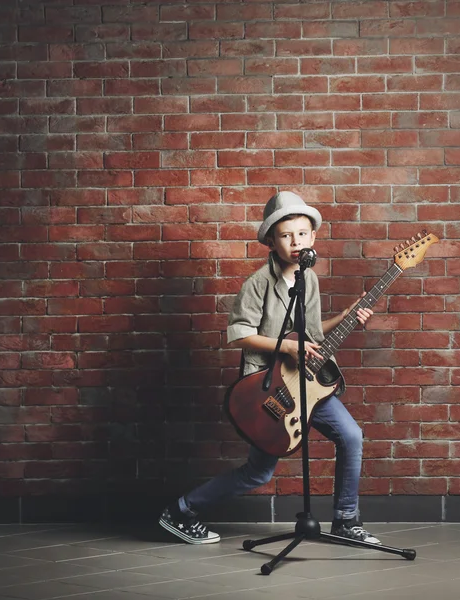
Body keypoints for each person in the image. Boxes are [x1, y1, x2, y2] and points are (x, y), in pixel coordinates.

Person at [159, 191, 380, 545]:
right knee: (258, 473)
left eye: (303, 234)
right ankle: (181, 511)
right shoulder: (257, 284)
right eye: (286, 235)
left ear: (313, 238)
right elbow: (239, 334)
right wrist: (289, 347)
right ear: (271, 241)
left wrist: (347, 315)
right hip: (271, 387)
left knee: (351, 436)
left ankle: (345, 520)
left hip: (308, 382)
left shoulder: (311, 280)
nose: (296, 242)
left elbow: (310, 331)